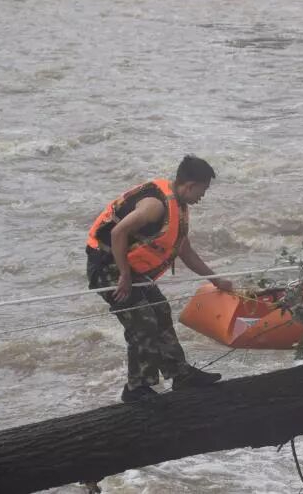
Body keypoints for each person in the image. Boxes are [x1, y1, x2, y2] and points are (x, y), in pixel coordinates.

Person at [86, 155, 234, 402]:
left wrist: (217, 280)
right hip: (107, 266)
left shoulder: (179, 206)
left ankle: (180, 374)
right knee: (143, 321)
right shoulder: (155, 206)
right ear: (190, 185)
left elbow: (186, 252)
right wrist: (124, 274)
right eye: (203, 189)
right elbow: (118, 232)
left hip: (129, 266)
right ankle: (136, 389)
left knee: (161, 310)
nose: (203, 196)